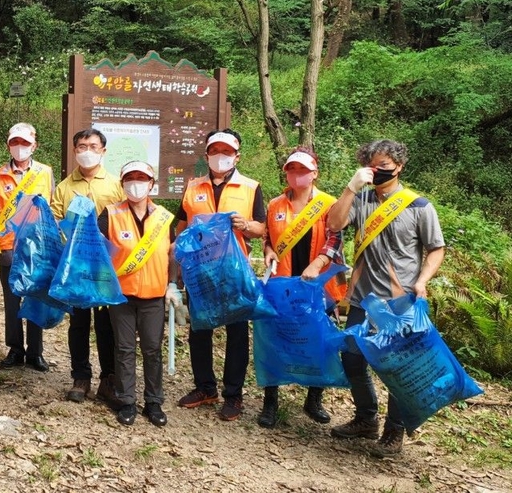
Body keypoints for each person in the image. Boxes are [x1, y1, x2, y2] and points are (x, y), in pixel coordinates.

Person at [327, 139, 445, 457]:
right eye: (372, 166)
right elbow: (334, 223)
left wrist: (422, 280)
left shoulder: (419, 206)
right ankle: (366, 418)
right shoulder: (361, 199)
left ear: (399, 166)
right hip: (363, 298)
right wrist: (350, 188)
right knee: (352, 358)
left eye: (384, 167)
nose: (378, 172)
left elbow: (436, 249)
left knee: (396, 366)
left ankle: (394, 432)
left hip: (400, 300)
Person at [175, 128, 266, 421]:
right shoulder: (193, 187)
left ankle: (233, 394)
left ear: (237, 155)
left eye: (226, 152)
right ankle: (205, 387)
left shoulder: (251, 187)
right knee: (199, 329)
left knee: (237, 332)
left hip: (233, 271)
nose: (220, 157)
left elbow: (262, 229)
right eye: (215, 151)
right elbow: (181, 226)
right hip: (200, 271)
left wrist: (245, 225)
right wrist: (177, 262)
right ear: (206, 155)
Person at [258, 147, 346, 428]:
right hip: (282, 284)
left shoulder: (329, 204)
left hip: (316, 284)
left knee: (317, 340)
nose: (297, 175)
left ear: (314, 174)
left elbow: (335, 240)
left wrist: (318, 264)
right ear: (286, 173)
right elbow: (270, 238)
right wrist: (269, 249)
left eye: (303, 171)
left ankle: (313, 399)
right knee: (275, 340)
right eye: (292, 170)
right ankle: (270, 402)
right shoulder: (275, 205)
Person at [98, 161, 175, 427]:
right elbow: (96, 250)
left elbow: (172, 253)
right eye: (130, 178)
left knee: (153, 349)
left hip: (154, 294)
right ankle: (127, 400)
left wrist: (173, 285)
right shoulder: (110, 214)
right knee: (124, 349)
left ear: (152, 184)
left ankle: (154, 402)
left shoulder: (164, 217)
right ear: (122, 184)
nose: (136, 183)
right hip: (121, 295)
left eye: (141, 178)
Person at [50, 128, 124, 404]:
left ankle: (109, 379)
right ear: (74, 151)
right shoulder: (65, 186)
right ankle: (80, 377)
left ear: (103, 150)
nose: (87, 151)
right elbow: (55, 219)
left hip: (106, 266)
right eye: (82, 146)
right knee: (78, 324)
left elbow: (124, 219)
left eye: (93, 146)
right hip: (77, 268)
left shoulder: (115, 184)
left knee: (107, 325)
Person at [0, 123, 55, 372]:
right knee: (11, 300)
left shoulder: (45, 173)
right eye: (15, 143)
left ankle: (35, 352)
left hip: (36, 249)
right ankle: (15, 348)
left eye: (25, 143)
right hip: (8, 248)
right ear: (8, 145)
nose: (20, 147)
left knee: (36, 297)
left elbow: (53, 211)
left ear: (34, 145)